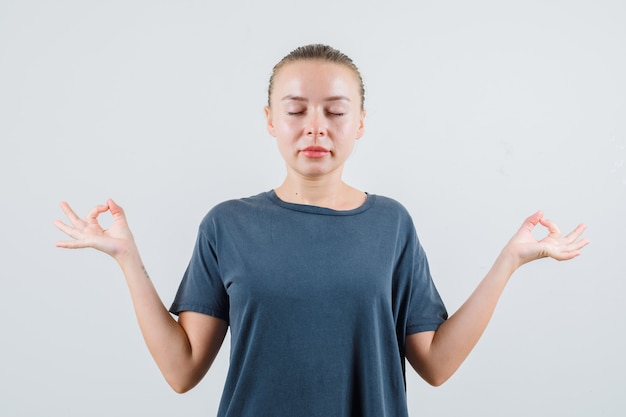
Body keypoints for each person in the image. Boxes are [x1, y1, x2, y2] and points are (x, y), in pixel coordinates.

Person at [54, 44, 589, 417]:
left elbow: (436, 363)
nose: (315, 126)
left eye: (335, 111)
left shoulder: (391, 224)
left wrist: (510, 261)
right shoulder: (227, 225)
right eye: (296, 111)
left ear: (359, 123)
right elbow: (182, 369)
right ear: (269, 119)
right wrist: (127, 258)